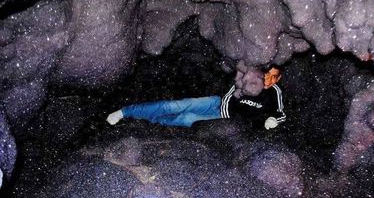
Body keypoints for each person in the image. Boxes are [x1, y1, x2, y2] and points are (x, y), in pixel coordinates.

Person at [106, 66, 286, 130]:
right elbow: (230, 94)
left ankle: (146, 119)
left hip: (225, 120)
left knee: (185, 119)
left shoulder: (274, 91)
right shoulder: (248, 78)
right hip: (217, 104)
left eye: (273, 78)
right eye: (266, 76)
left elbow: (281, 113)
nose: (267, 80)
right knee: (178, 105)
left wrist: (273, 120)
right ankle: (125, 111)